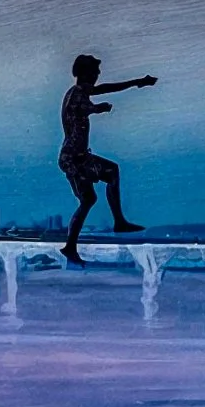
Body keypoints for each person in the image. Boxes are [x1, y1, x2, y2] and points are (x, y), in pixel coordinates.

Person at [58, 54, 157, 263]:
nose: (98, 76)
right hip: (74, 159)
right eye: (95, 72)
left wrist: (136, 82)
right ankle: (110, 226)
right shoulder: (76, 93)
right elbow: (79, 108)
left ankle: (75, 244)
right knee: (101, 184)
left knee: (94, 192)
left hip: (79, 157)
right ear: (85, 73)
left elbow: (107, 87)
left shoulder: (81, 91)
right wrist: (97, 108)